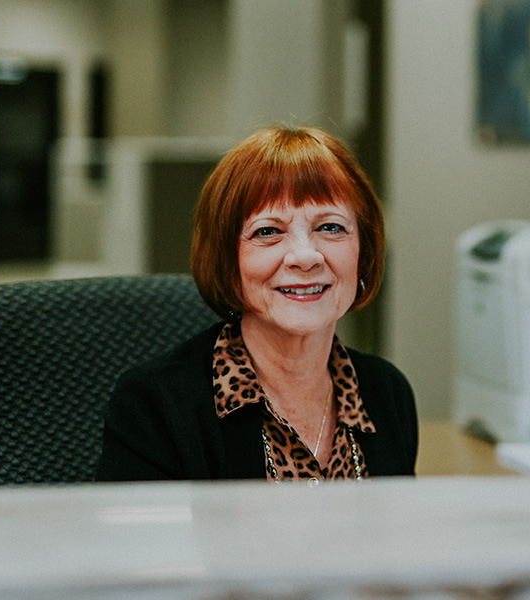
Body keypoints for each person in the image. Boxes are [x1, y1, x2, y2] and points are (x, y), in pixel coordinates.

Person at [96, 125, 418, 484]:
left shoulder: (387, 394)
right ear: (228, 262)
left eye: (330, 227)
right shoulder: (156, 406)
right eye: (268, 231)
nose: (305, 256)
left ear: (364, 252)